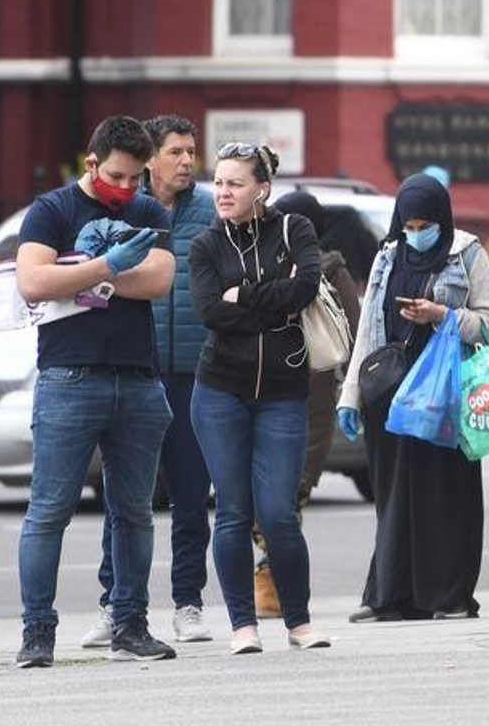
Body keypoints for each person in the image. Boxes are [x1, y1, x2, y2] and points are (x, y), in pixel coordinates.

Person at [13, 115, 177, 667]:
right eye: (117, 177)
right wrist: (108, 267)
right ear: (92, 163)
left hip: (137, 377)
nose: (127, 190)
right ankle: (38, 633)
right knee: (50, 510)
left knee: (133, 512)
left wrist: (78, 271)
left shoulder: (148, 210)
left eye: (136, 178)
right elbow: (33, 281)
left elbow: (158, 280)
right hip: (68, 376)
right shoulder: (53, 210)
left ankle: (130, 625)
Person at [336, 173, 489, 622]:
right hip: (389, 394)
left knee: (445, 496)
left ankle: (448, 597)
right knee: (393, 497)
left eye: (425, 224)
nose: (416, 234)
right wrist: (351, 395)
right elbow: (368, 326)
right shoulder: (387, 257)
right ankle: (389, 596)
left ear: (442, 219)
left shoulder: (467, 254)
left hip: (446, 393)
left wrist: (442, 315)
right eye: (408, 225)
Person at [81, 114, 217, 649]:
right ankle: (114, 606)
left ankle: (188, 602)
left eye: (191, 151)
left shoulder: (210, 211)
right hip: (133, 367)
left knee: (190, 493)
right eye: (176, 152)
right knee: (124, 498)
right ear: (149, 160)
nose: (187, 161)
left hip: (193, 373)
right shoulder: (122, 211)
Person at [188, 143, 329, 654]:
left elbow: (307, 289)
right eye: (219, 183)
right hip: (220, 388)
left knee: (278, 513)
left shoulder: (295, 230)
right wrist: (273, 297)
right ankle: (242, 626)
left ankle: (299, 622)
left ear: (262, 189)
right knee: (231, 509)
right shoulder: (206, 245)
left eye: (235, 184)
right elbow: (209, 312)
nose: (223, 192)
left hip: (283, 392)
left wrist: (242, 296)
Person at [237, 190, 366, 618]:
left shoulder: (329, 269)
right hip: (276, 390)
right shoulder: (257, 260)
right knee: (274, 491)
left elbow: (352, 332)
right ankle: (273, 580)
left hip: (305, 396)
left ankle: (274, 582)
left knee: (288, 492)